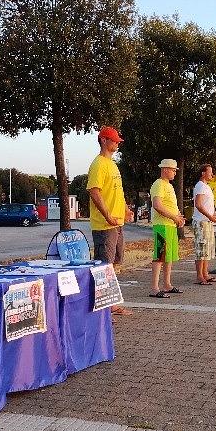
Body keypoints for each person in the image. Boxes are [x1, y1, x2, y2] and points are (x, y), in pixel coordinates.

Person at [87, 126, 134, 315]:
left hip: (117, 223)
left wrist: (125, 210)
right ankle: (102, 311)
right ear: (104, 140)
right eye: (114, 140)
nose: (117, 143)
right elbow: (94, 191)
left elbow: (118, 193)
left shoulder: (112, 165)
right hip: (105, 225)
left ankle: (110, 305)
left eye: (117, 141)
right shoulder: (98, 164)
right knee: (103, 266)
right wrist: (107, 215)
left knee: (113, 264)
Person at [148, 159, 186, 298]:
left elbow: (169, 206)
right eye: (173, 170)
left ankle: (167, 284)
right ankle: (154, 287)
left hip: (169, 225)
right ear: (165, 169)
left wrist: (178, 217)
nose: (175, 172)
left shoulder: (168, 186)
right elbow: (157, 205)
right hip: (162, 225)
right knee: (160, 256)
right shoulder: (159, 184)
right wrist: (174, 217)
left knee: (168, 256)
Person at [192, 164, 216, 285]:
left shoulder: (206, 186)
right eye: (210, 172)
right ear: (203, 173)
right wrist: (210, 216)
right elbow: (198, 204)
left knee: (207, 249)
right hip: (201, 221)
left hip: (207, 221)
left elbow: (207, 204)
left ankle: (205, 273)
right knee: (201, 249)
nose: (211, 174)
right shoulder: (200, 186)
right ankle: (199, 276)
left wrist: (213, 215)